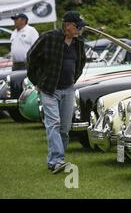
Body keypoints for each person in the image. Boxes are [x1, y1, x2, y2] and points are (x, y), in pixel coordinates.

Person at [26, 11, 87, 174]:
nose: (80, 30)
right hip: (49, 89)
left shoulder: (79, 42)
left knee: (65, 128)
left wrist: (73, 79)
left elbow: (81, 62)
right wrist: (37, 81)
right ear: (68, 26)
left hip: (68, 89)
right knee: (53, 123)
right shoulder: (49, 38)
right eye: (78, 27)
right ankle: (58, 160)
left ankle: (54, 160)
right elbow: (31, 56)